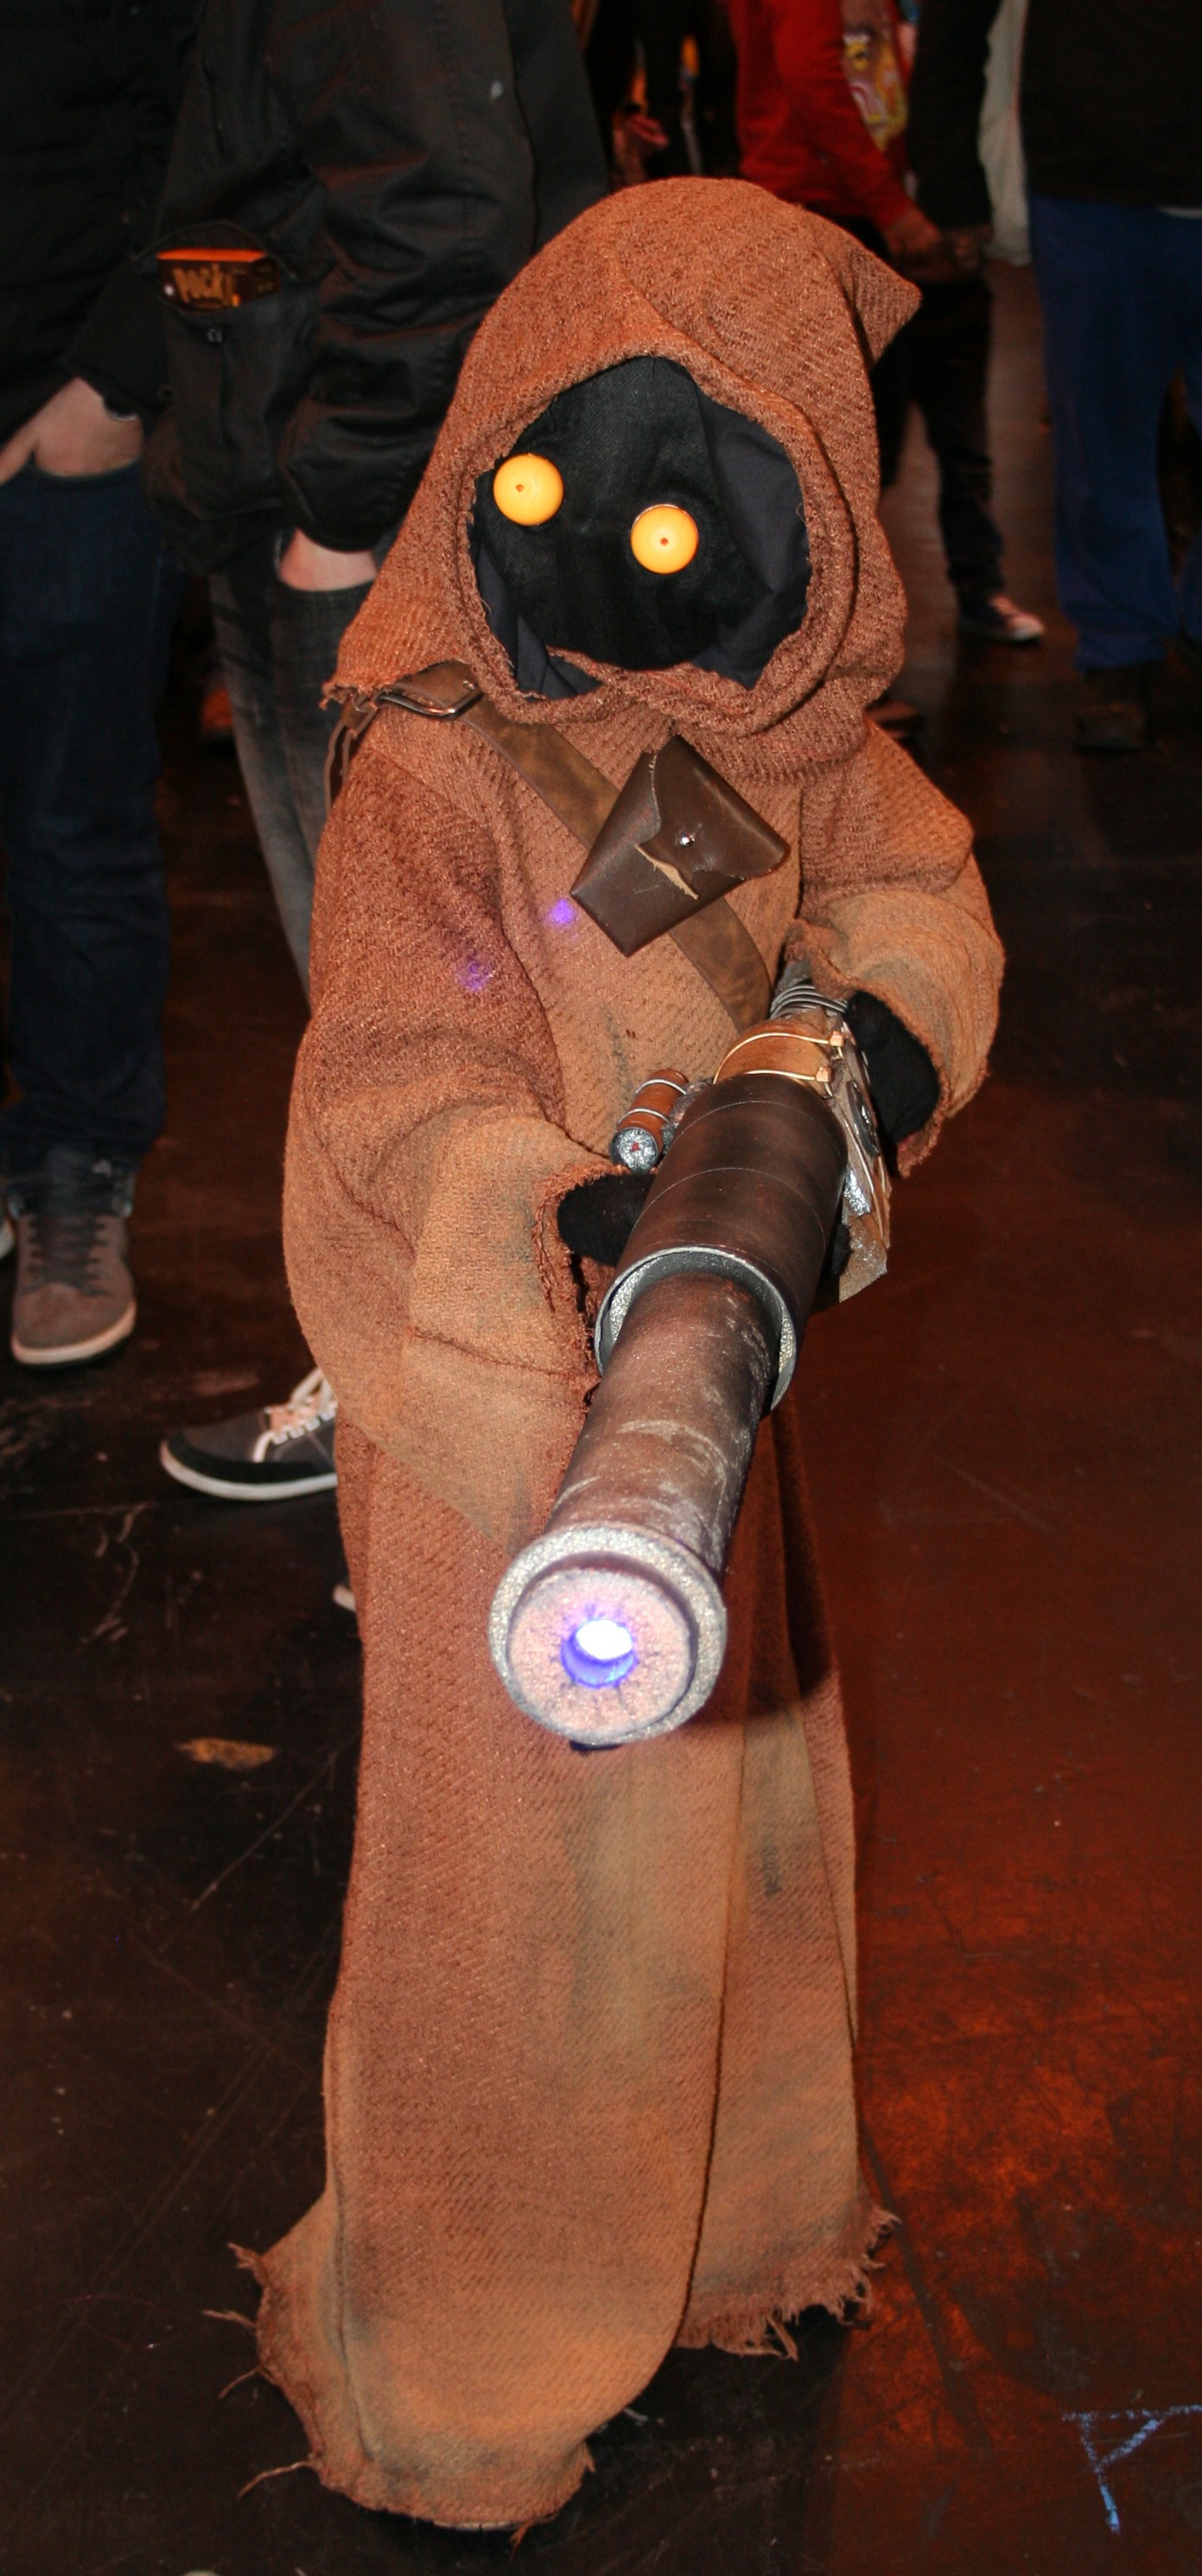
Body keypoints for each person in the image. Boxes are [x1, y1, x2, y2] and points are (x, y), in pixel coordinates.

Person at [234, 178, 1002, 2528]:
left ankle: (724, 2218)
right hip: (501, 1412)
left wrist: (860, 1050)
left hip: (706, 1383)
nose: (636, 567)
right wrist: (564, 1210)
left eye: (702, 509)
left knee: (713, 1826)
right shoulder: (441, 758)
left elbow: (908, 887)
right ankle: (471, 2349)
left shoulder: (783, 737)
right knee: (520, 1890)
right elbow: (385, 1086)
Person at [150, 0, 609, 1499]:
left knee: (412, 1015)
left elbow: (445, 217)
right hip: (335, 496)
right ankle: (422, 1427)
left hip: (365, 528)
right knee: (409, 1004)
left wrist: (339, 502)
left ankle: (445, 1468)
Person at [0, 0, 195, 1367]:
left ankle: (76, 1168)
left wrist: (113, 385)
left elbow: (216, 134)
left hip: (56, 438)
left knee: (73, 831)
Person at [906, 0, 1202, 753]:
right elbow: (953, 24)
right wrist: (947, 178)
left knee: (1100, 437)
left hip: (1090, 174)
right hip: (1092, 183)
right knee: (1098, 438)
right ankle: (1118, 647)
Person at [724, 0, 1042, 651]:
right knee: (841, 455)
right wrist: (891, 205)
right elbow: (811, 77)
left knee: (911, 434)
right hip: (826, 212)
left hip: (872, 210)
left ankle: (965, 592)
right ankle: (827, 651)